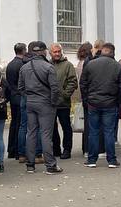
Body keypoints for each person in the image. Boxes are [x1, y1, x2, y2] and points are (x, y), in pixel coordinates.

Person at [80, 42, 121, 167]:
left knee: (93, 132)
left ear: (101, 51)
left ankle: (91, 160)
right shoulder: (118, 67)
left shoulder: (90, 65)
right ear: (113, 52)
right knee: (109, 131)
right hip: (110, 103)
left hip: (93, 102)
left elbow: (83, 83)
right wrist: (117, 100)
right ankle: (111, 160)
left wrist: (87, 98)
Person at [20, 41, 62, 174]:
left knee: (31, 132)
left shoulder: (24, 68)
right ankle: (50, 165)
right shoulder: (48, 67)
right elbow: (55, 89)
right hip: (46, 103)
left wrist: (29, 97)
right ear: (44, 52)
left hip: (31, 102)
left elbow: (20, 88)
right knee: (46, 134)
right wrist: (53, 102)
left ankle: (30, 164)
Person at [50, 44, 77, 160]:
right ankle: (56, 149)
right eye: (54, 52)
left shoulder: (68, 65)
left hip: (63, 103)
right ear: (50, 53)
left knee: (66, 127)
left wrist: (65, 94)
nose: (56, 53)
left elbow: (73, 82)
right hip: (50, 103)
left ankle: (67, 149)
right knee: (52, 128)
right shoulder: (47, 65)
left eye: (58, 51)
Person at [4, 43, 27, 161]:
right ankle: (19, 150)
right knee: (20, 124)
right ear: (24, 51)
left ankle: (11, 150)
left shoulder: (10, 64)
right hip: (20, 96)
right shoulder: (22, 65)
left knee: (14, 124)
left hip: (13, 97)